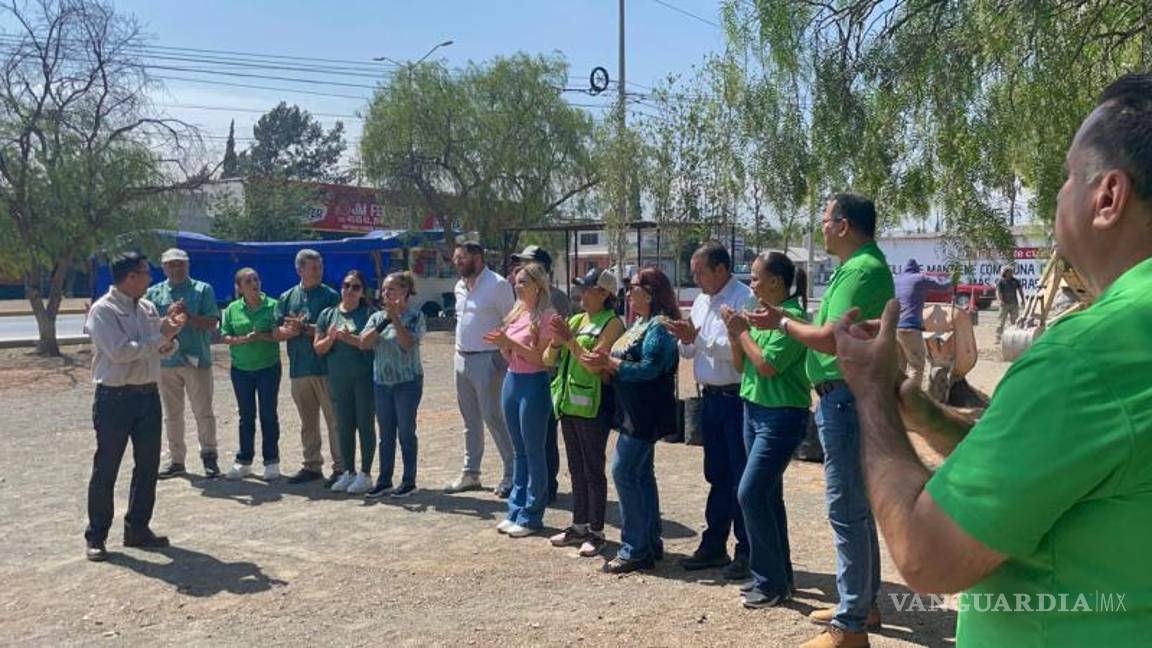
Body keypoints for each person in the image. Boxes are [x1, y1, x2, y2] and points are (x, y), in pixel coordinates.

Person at [831, 74, 1152, 648]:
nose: (1058, 196)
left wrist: (872, 394)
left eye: (1066, 177)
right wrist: (930, 419)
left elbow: (928, 559)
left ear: (1108, 198)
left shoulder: (1090, 357)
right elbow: (1057, 470)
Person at [745, 193, 893, 648]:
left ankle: (849, 627)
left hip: (845, 397)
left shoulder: (861, 269)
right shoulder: (861, 268)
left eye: (825, 219)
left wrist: (782, 325)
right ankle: (861, 605)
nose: (822, 227)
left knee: (845, 509)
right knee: (857, 508)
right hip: (848, 396)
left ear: (844, 225)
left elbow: (831, 339)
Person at [720, 251, 812, 609]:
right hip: (754, 410)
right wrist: (735, 335)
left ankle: (769, 581)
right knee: (768, 497)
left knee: (751, 493)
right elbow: (744, 365)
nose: (752, 283)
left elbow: (768, 365)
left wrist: (742, 332)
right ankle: (779, 577)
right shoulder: (763, 319)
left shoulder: (791, 319)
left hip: (781, 416)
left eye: (756, 278)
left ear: (775, 281)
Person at [83, 252, 187, 561]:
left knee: (147, 466)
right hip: (114, 398)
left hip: (146, 395)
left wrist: (170, 336)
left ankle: (137, 528)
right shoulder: (103, 310)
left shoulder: (147, 307)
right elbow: (120, 352)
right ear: (130, 276)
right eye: (145, 272)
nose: (150, 277)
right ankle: (96, 536)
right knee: (107, 468)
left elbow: (163, 349)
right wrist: (161, 337)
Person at [664, 242, 755, 581]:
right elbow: (691, 351)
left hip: (736, 399)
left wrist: (697, 341)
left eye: (700, 271)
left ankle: (747, 550)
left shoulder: (743, 299)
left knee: (741, 477)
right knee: (717, 475)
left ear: (720, 269)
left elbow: (737, 355)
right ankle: (714, 544)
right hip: (710, 399)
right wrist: (685, 338)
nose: (695, 278)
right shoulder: (702, 301)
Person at [585, 268, 680, 574]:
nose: (628, 292)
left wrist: (612, 363)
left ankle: (635, 548)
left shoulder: (659, 326)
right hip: (631, 409)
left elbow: (651, 368)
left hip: (645, 411)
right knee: (640, 475)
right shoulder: (639, 323)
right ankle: (649, 542)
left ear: (650, 292)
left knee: (624, 471)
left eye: (634, 287)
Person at [545, 268, 624, 557]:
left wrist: (569, 340)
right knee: (576, 468)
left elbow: (595, 364)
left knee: (593, 469)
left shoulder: (612, 323)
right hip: (568, 403)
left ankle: (597, 530)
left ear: (604, 294)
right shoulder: (577, 320)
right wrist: (556, 341)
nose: (581, 293)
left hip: (593, 405)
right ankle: (578, 525)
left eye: (587, 288)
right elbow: (548, 359)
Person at [485, 262, 557, 537]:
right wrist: (504, 345)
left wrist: (511, 343)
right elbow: (512, 355)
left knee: (534, 450)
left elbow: (542, 359)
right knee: (519, 451)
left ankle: (532, 514)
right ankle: (515, 509)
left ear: (538, 286)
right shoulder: (517, 313)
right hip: (512, 380)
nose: (517, 286)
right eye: (516, 281)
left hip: (534, 384)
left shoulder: (547, 316)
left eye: (523, 282)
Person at [448, 241, 516, 497]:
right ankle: (471, 473)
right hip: (461, 358)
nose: (457, 263)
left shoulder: (497, 285)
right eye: (456, 258)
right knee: (470, 420)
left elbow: (511, 321)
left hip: (489, 360)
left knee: (493, 417)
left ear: (478, 257)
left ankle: (512, 474)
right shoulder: (459, 286)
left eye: (461, 258)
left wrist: (503, 357)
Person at [147, 248, 221, 479]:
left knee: (203, 412)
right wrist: (167, 318)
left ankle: (209, 457)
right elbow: (148, 327)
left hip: (196, 360)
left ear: (188, 266)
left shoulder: (202, 290)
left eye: (181, 264)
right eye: (172, 264)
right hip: (166, 362)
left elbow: (212, 323)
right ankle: (176, 460)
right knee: (172, 414)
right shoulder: (154, 293)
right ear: (164, 267)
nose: (177, 268)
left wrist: (189, 317)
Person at [276, 249, 344, 488]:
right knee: (307, 421)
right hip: (299, 368)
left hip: (325, 368)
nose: (318, 271)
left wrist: (305, 329)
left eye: (320, 267)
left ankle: (341, 466)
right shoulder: (287, 297)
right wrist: (288, 331)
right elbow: (276, 330)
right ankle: (312, 465)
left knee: (334, 419)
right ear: (300, 270)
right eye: (313, 267)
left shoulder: (331, 296)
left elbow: (336, 329)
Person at [509, 244, 571, 503]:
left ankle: (547, 486)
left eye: (527, 262)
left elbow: (555, 344)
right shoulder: (521, 301)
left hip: (546, 375)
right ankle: (532, 488)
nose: (519, 269)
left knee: (544, 437)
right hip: (521, 374)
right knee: (528, 440)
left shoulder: (554, 300)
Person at [360, 271, 426, 499]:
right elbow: (364, 343)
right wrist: (385, 320)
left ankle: (409, 481)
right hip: (382, 383)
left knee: (406, 432)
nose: (386, 293)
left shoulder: (416, 317)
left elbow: (408, 344)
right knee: (385, 434)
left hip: (407, 383)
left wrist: (396, 319)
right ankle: (384, 480)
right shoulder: (377, 317)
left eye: (392, 289)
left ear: (405, 292)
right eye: (385, 289)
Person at [314, 270, 377, 496]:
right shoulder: (328, 314)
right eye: (346, 285)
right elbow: (318, 348)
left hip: (363, 379)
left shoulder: (370, 313)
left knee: (365, 425)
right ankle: (348, 471)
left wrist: (349, 339)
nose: (350, 291)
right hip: (338, 379)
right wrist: (331, 338)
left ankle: (366, 474)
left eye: (356, 287)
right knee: (343, 426)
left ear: (363, 292)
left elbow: (370, 344)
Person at [220, 268, 283, 482]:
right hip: (241, 370)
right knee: (246, 417)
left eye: (256, 279)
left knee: (268, 415)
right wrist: (242, 340)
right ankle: (244, 461)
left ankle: (271, 461)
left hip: (268, 367)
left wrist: (262, 336)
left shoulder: (273, 305)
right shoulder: (231, 309)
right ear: (239, 287)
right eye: (248, 281)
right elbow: (225, 336)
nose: (254, 283)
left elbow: (279, 335)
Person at [893, 259, 951, 389]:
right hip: (911, 328)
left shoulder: (896, 280)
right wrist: (951, 279)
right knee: (916, 365)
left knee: (900, 367)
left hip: (895, 328)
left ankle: (896, 398)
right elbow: (943, 287)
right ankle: (912, 399)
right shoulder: (920, 278)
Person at [994, 264, 1026, 343]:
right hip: (1004, 304)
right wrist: (1000, 300)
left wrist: (1022, 300)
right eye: (1009, 272)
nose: (1011, 273)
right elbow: (998, 292)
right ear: (1005, 272)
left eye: (1012, 272)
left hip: (1014, 304)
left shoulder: (1015, 281)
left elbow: (1020, 290)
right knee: (1001, 322)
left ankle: (1014, 337)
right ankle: (998, 337)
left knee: (1015, 321)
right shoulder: (1001, 281)